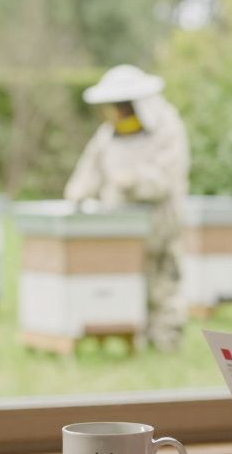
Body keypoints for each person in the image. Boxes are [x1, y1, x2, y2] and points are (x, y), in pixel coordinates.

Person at [65, 64, 189, 352]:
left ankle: (166, 340)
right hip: (120, 225)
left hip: (159, 223)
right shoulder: (109, 133)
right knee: (125, 282)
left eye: (121, 106)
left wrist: (134, 180)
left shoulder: (167, 128)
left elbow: (165, 179)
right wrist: (76, 193)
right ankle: (133, 335)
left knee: (162, 284)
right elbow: (90, 169)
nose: (116, 113)